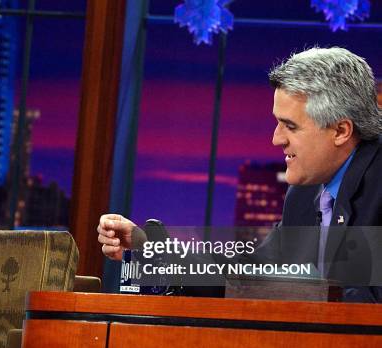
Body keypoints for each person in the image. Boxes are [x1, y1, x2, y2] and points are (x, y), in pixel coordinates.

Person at [98, 47, 382, 302]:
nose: (276, 139)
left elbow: (368, 300)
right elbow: (250, 274)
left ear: (341, 131)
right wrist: (149, 249)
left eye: (291, 126)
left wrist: (293, 291)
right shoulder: (306, 192)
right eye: (277, 123)